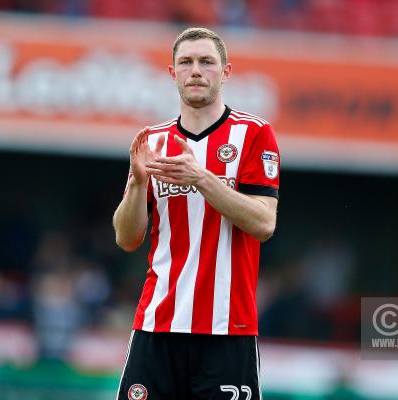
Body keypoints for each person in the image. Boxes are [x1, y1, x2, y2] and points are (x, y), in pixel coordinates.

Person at [112, 27, 280, 400]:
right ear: (173, 74)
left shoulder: (254, 134)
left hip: (226, 329)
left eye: (207, 62)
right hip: (157, 325)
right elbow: (126, 238)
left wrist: (202, 178)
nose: (196, 71)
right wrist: (138, 185)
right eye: (186, 63)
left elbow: (264, 223)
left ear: (226, 72)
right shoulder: (152, 141)